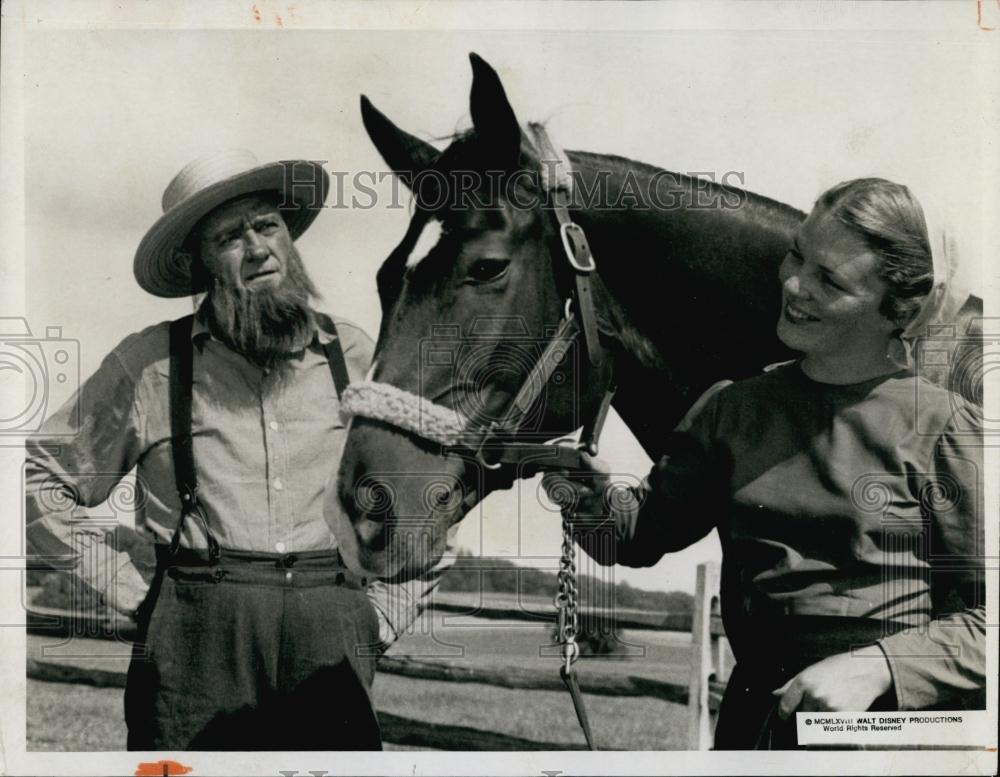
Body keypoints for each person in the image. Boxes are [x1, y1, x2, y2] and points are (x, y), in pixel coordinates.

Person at [543, 178, 985, 749]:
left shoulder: (947, 429)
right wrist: (585, 494)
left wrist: (880, 668)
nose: (794, 284)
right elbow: (636, 535)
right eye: (797, 253)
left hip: (894, 733)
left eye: (831, 280)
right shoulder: (733, 409)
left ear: (896, 308)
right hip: (756, 727)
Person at [24, 150, 439, 750]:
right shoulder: (150, 366)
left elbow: (429, 490)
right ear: (198, 261)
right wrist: (130, 588)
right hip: (194, 635)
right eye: (229, 237)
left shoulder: (352, 354)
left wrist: (383, 614)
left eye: (267, 226)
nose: (257, 248)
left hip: (331, 630)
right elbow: (40, 477)